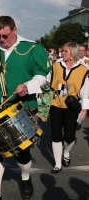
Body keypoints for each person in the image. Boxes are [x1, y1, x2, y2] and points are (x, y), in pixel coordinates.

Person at [0, 16, 51, 200]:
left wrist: (28, 86)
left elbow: (43, 75)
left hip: (22, 108)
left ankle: (25, 177)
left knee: (21, 151)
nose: (2, 40)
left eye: (5, 36)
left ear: (14, 30)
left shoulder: (31, 48)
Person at [48, 42, 89, 174]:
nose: (62, 53)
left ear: (73, 53)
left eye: (65, 51)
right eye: (62, 51)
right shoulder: (56, 66)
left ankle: (66, 152)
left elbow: (85, 92)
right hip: (56, 104)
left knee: (70, 136)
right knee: (56, 135)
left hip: (72, 106)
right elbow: (47, 80)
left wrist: (84, 109)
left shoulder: (84, 69)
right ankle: (57, 164)